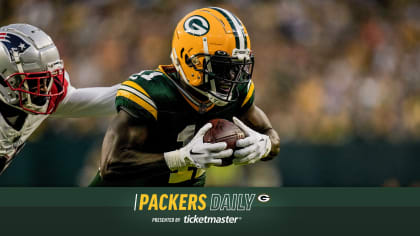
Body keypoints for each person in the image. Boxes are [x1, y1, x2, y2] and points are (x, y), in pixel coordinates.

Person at [91, 7, 280, 186]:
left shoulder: (237, 94)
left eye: (236, 67)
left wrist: (263, 145)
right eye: (222, 67)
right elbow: (112, 164)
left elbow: (270, 135)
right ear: (190, 59)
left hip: (180, 204)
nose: (233, 78)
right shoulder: (153, 92)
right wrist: (180, 158)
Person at [0, 23, 119, 174]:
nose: (44, 89)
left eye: (46, 79)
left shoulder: (41, 97)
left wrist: (144, 87)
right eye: (33, 82)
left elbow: (101, 100)